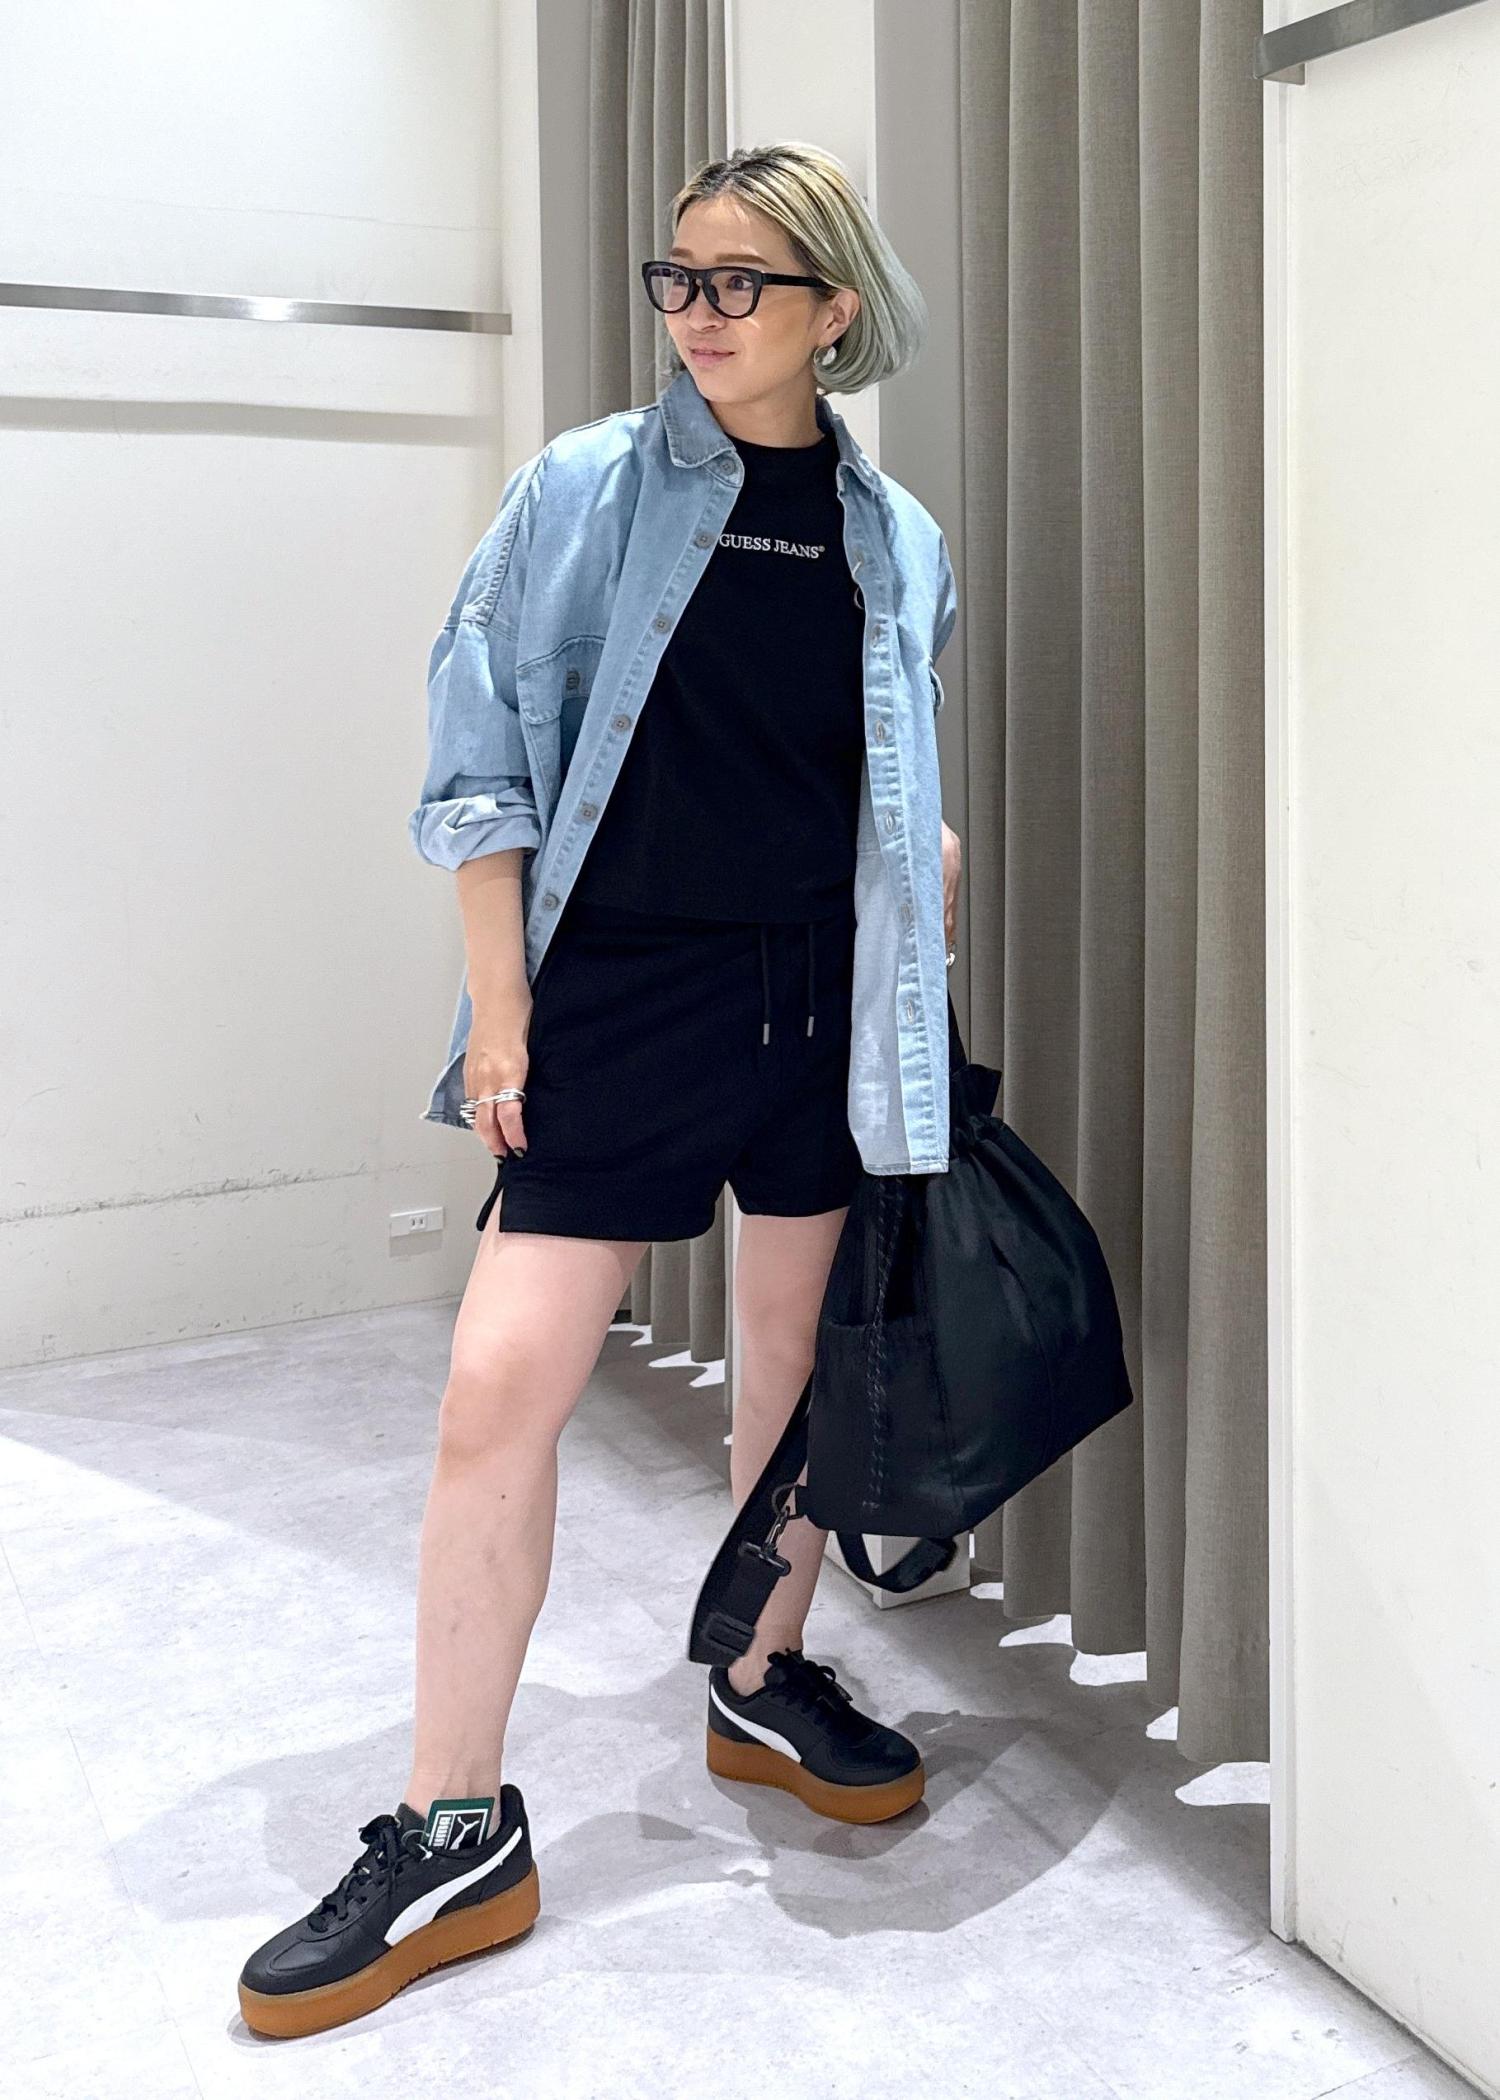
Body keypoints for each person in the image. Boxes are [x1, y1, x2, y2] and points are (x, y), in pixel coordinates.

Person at [237, 139, 961, 2041]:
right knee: (498, 1389)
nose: (699, 315)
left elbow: (872, 770)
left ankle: (761, 1678)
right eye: (681, 277)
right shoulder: (582, 490)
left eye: (743, 283)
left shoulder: (899, 540)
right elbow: (478, 759)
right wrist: (503, 1014)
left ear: (834, 308)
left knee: (794, 1374)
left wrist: (926, 866)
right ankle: (452, 1824)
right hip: (619, 999)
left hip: (822, 1003)